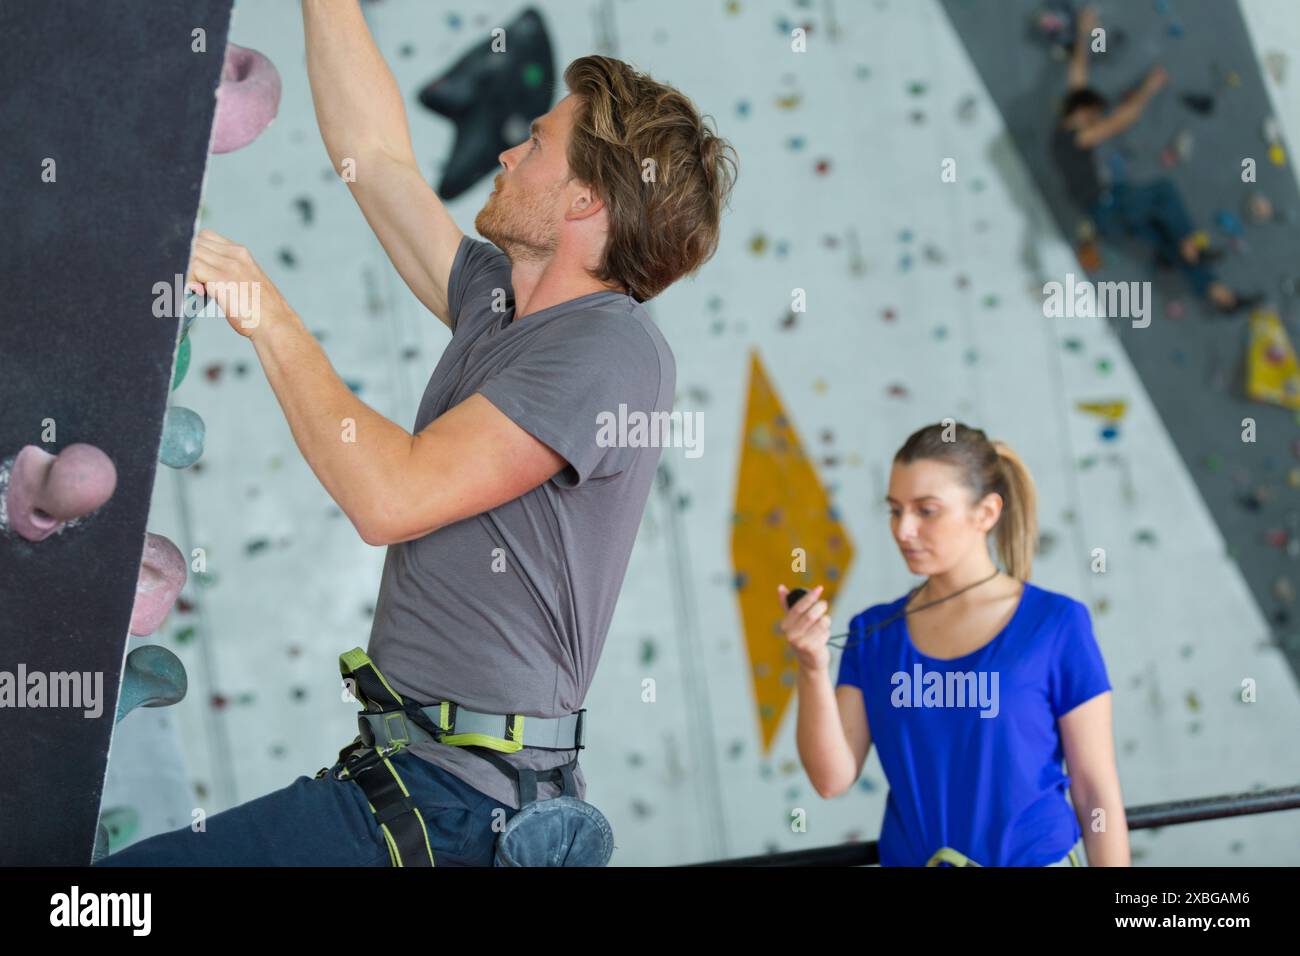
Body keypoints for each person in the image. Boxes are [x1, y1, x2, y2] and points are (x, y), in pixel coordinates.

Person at [98, 0, 736, 865]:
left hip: (459, 814)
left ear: (586, 197)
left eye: (536, 143)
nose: (508, 150)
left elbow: (390, 495)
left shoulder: (614, 349)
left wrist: (265, 312)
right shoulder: (499, 302)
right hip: (414, 789)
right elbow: (380, 159)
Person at [779, 422, 1130, 866]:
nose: (903, 529)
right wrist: (811, 667)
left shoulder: (1056, 624)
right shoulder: (872, 633)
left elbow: (1096, 790)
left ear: (985, 513)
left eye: (926, 511)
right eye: (894, 510)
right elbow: (831, 779)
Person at [1052, 6, 1259, 313]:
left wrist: (1084, 35)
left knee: (1166, 240)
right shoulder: (1079, 137)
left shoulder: (1067, 129)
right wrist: (1148, 89)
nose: (1095, 118)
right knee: (1164, 193)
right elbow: (1121, 120)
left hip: (1104, 219)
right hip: (1112, 205)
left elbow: (1078, 78)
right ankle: (1191, 244)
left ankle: (1217, 292)